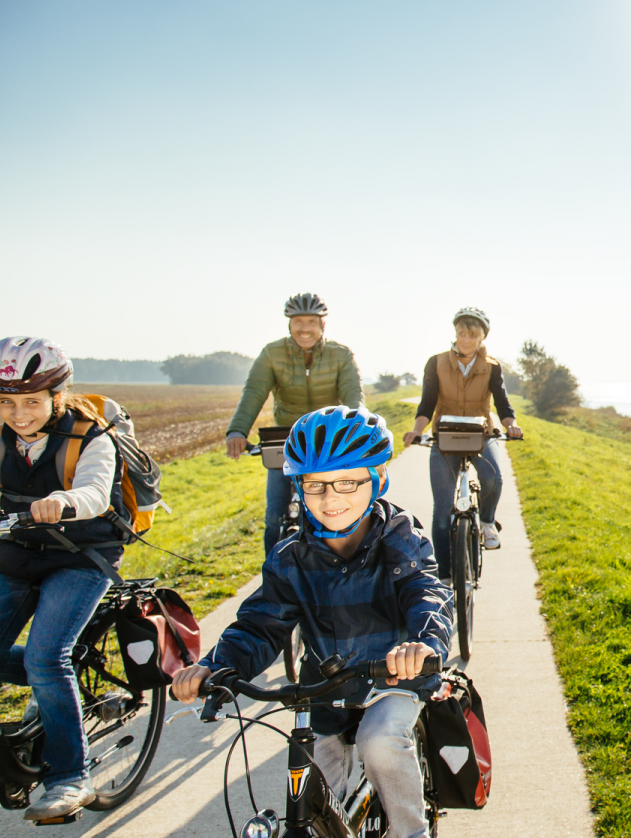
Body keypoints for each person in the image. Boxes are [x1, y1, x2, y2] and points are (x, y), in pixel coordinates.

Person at [173, 406, 452, 838]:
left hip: (394, 676)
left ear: (377, 478)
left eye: (347, 482)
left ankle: (410, 832)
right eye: (315, 485)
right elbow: (259, 624)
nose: (331, 498)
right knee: (317, 800)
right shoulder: (291, 557)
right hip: (325, 689)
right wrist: (216, 665)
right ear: (298, 486)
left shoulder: (400, 537)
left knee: (379, 744)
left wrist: (423, 643)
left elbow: (426, 593)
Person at [0, 337, 126, 820]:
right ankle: (54, 694)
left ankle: (70, 779)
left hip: (81, 557)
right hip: (21, 554)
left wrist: (63, 501)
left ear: (55, 397)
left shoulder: (91, 438)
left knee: (46, 658)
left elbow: (93, 492)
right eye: (7, 403)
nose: (18, 413)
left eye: (30, 402)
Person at [225, 293, 364, 554]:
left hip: (327, 441)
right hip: (286, 441)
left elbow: (353, 398)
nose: (304, 328)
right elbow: (253, 393)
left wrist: (358, 432)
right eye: (298, 321)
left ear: (323, 325)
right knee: (274, 517)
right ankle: (273, 581)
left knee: (334, 513)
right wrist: (237, 431)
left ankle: (340, 569)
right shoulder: (272, 354)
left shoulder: (341, 355)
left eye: (311, 322)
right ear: (289, 324)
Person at [402, 307, 522, 561]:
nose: (465, 340)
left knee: (493, 478)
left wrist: (511, 424)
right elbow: (427, 402)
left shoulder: (491, 367)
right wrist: (416, 431)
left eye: (472, 335)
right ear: (455, 334)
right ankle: (445, 576)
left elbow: (502, 402)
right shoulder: (436, 363)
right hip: (445, 436)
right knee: (442, 511)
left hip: (481, 435)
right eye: (461, 334)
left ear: (481, 339)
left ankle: (488, 522)